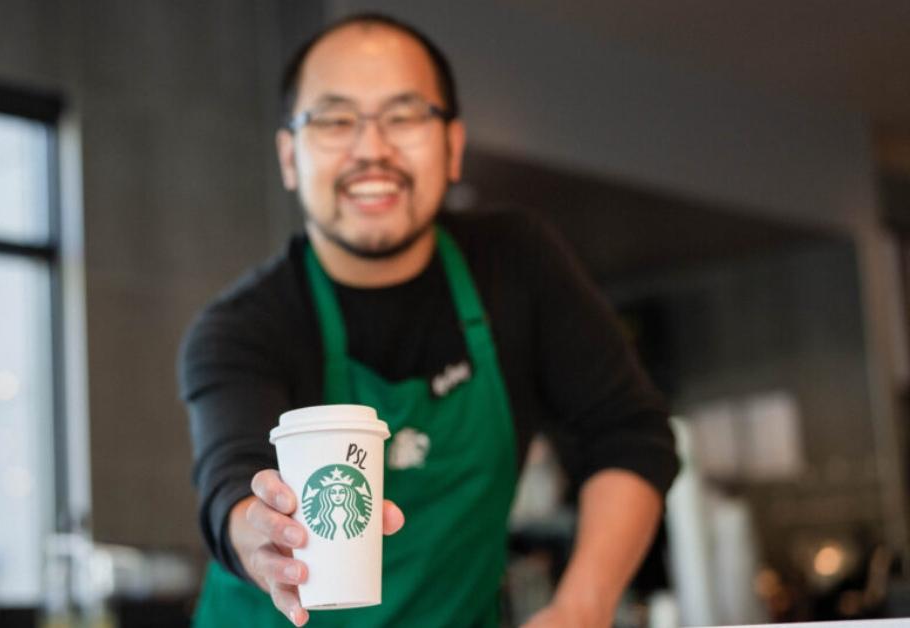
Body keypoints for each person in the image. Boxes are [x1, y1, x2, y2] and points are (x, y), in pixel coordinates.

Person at [179, 12, 678, 628]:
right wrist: (254, 533)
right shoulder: (239, 327)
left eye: (405, 116)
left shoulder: (516, 264)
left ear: (453, 146)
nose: (372, 150)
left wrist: (583, 604)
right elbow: (230, 476)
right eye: (335, 120)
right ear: (289, 156)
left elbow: (631, 433)